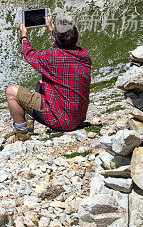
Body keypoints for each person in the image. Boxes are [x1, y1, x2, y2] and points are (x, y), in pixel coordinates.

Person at [6, 12, 91, 141]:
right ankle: (30, 122)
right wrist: (50, 28)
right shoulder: (84, 54)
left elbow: (29, 54)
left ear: (57, 39)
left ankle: (22, 133)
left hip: (61, 121)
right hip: (78, 118)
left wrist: (23, 36)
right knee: (41, 83)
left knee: (11, 92)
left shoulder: (52, 58)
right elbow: (64, 44)